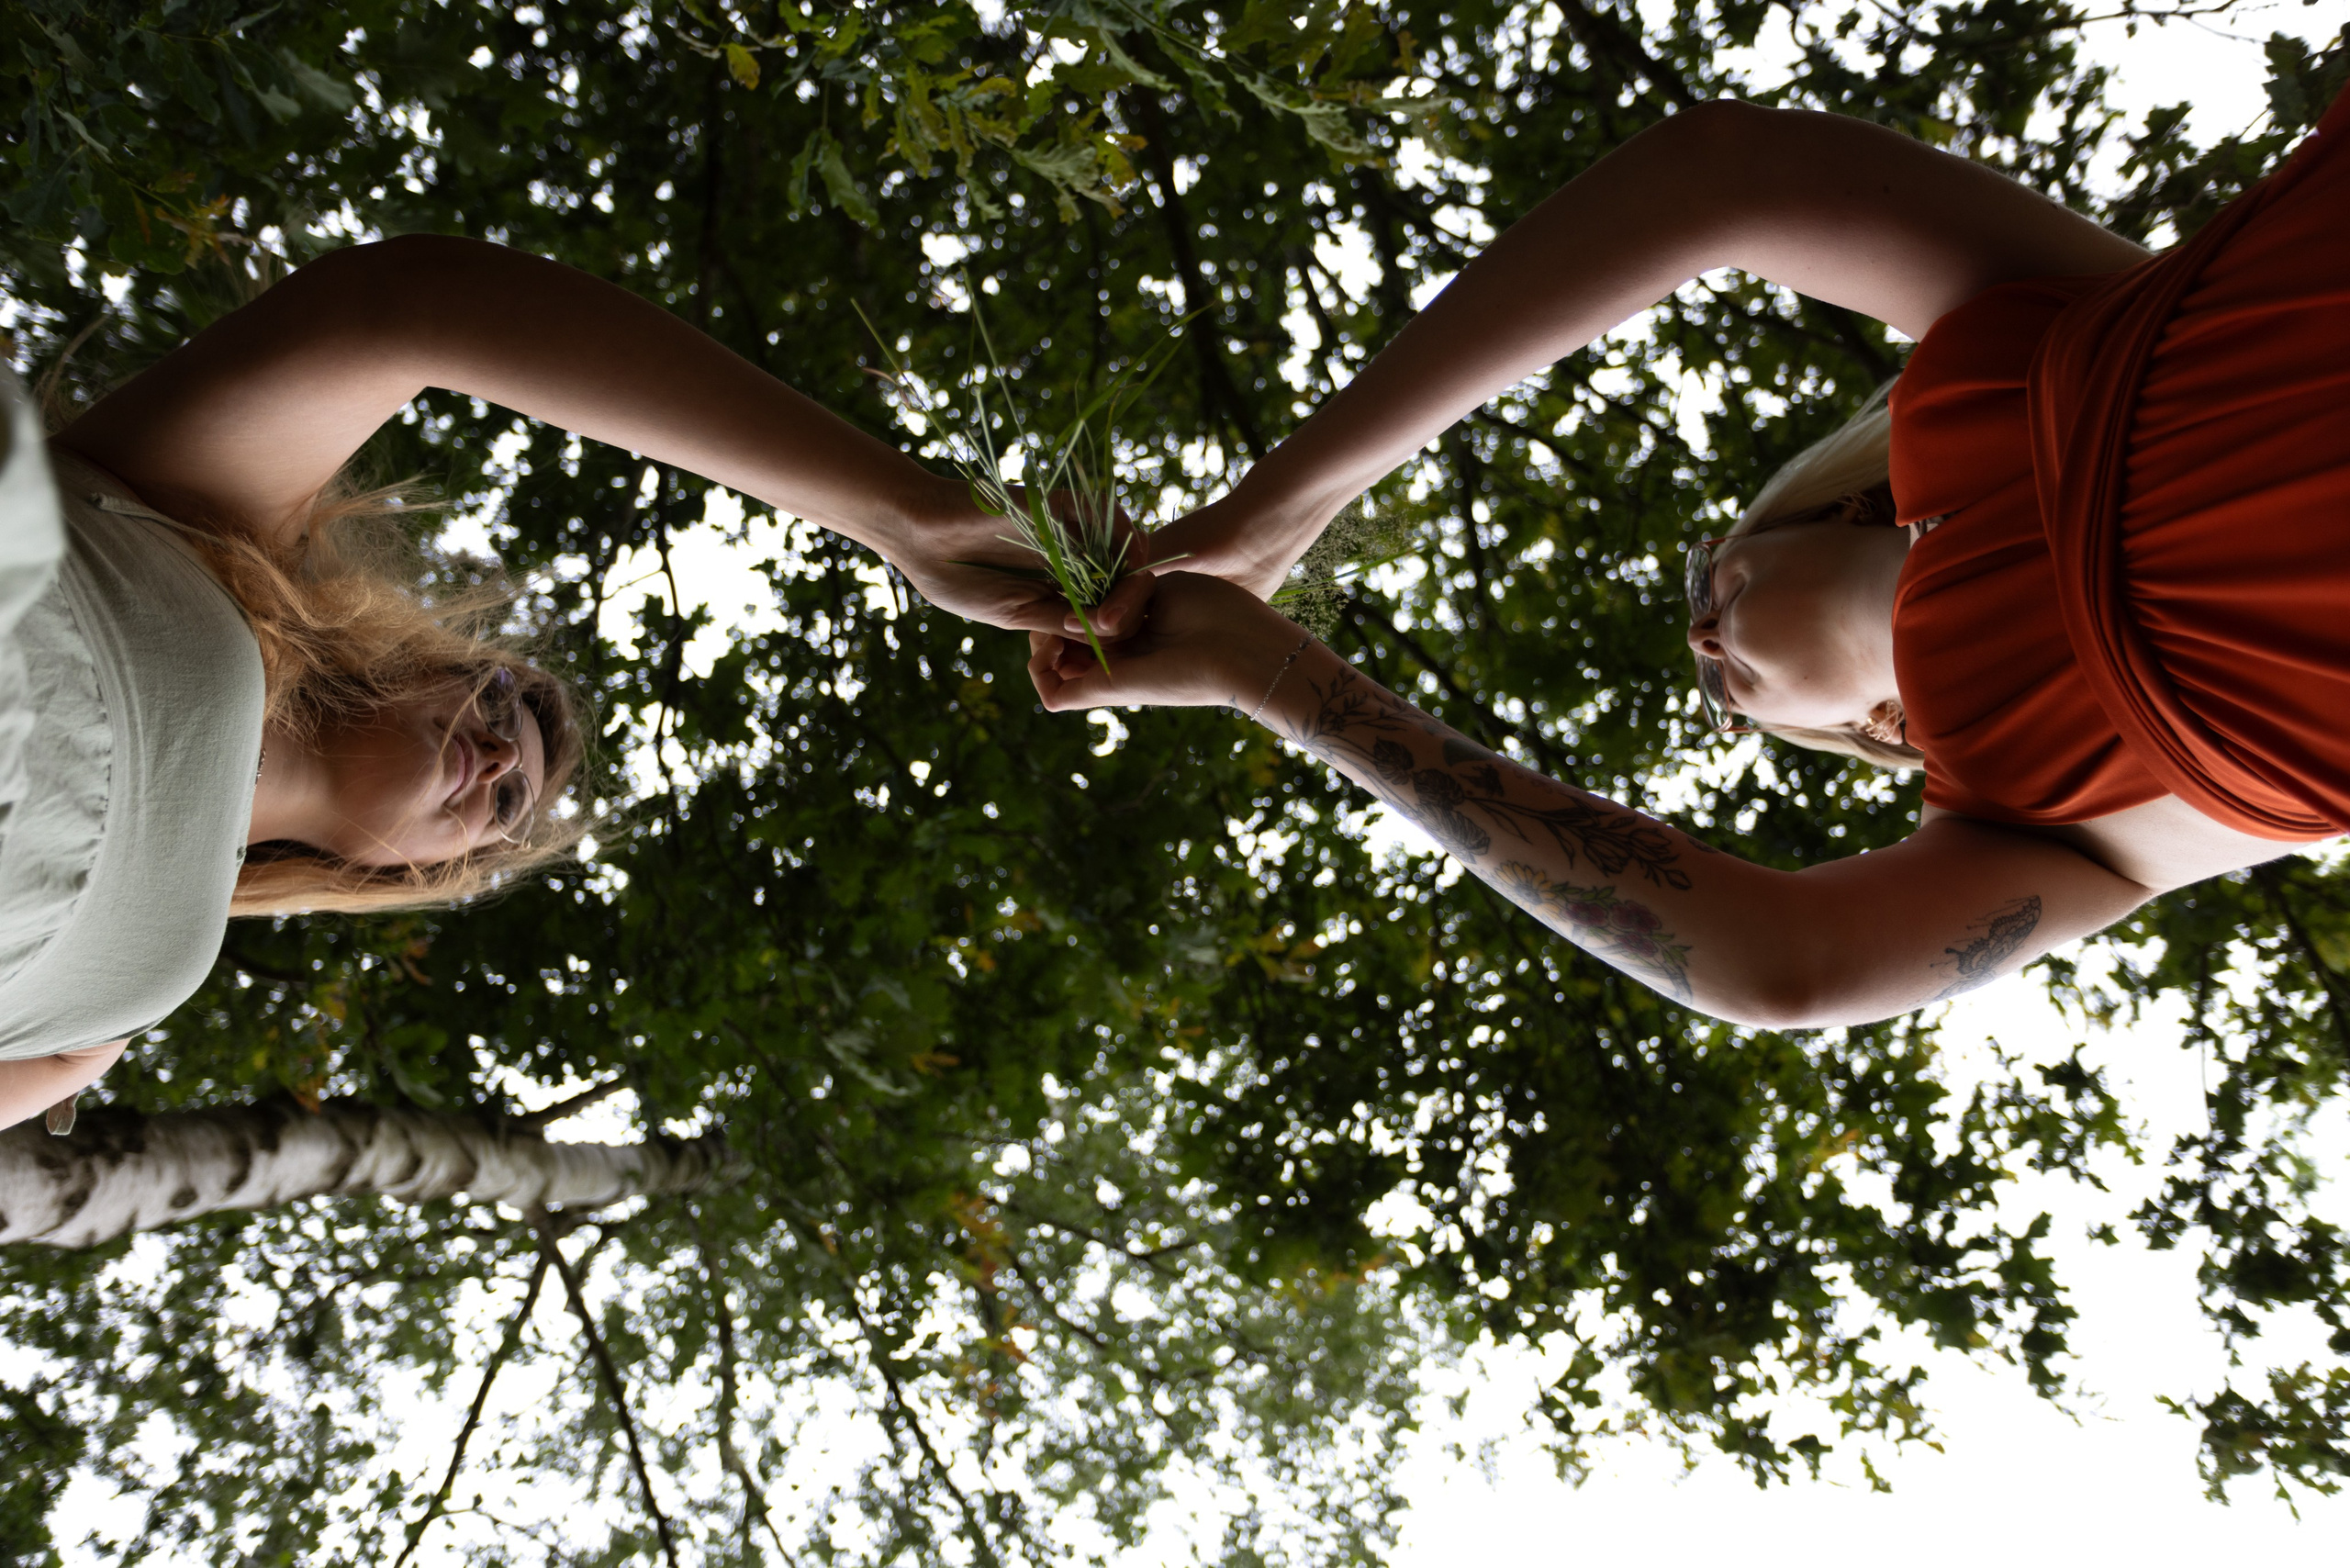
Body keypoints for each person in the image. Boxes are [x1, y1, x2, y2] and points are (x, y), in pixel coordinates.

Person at [1029, 87, 2350, 1029]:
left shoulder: (2039, 346)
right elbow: (1782, 971)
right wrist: (1276, 677)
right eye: (1729, 694)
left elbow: (1720, 169)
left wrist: (1284, 505)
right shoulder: (2050, 835)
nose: (1707, 641)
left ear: (1814, 512)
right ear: (1880, 729)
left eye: (1701, 583)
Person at [0, 235, 1140, 1132]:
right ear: (414, 669)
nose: (497, 758)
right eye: (493, 705)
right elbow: (414, 303)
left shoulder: (130, 1000)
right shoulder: (208, 540)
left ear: (418, 872)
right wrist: (903, 515)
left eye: (506, 805)